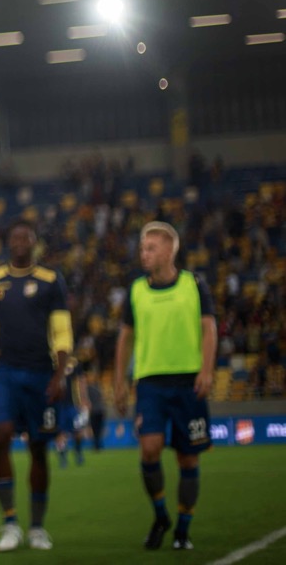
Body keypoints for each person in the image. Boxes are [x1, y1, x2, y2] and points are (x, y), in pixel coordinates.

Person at [113, 221, 217, 551]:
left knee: (188, 459)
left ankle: (183, 531)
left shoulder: (194, 284)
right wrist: (119, 380)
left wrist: (207, 369)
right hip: (150, 383)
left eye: (151, 248)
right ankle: (161, 516)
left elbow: (209, 328)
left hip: (188, 382)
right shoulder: (136, 290)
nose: (143, 254)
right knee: (149, 448)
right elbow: (125, 338)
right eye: (142, 249)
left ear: (170, 250)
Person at [0, 221, 72, 552]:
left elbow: (62, 330)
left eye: (26, 238)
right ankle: (9, 523)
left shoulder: (50, 280)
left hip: (41, 373)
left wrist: (60, 375)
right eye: (15, 237)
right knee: (1, 435)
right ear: (8, 243)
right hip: (5, 372)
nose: (20, 242)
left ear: (35, 243)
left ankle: (37, 527)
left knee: (38, 447)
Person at [55, 362, 90, 469]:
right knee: (60, 432)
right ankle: (62, 457)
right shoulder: (52, 362)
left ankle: (78, 450)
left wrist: (84, 398)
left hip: (73, 403)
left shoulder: (74, 363)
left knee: (78, 431)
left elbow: (81, 380)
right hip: (58, 404)